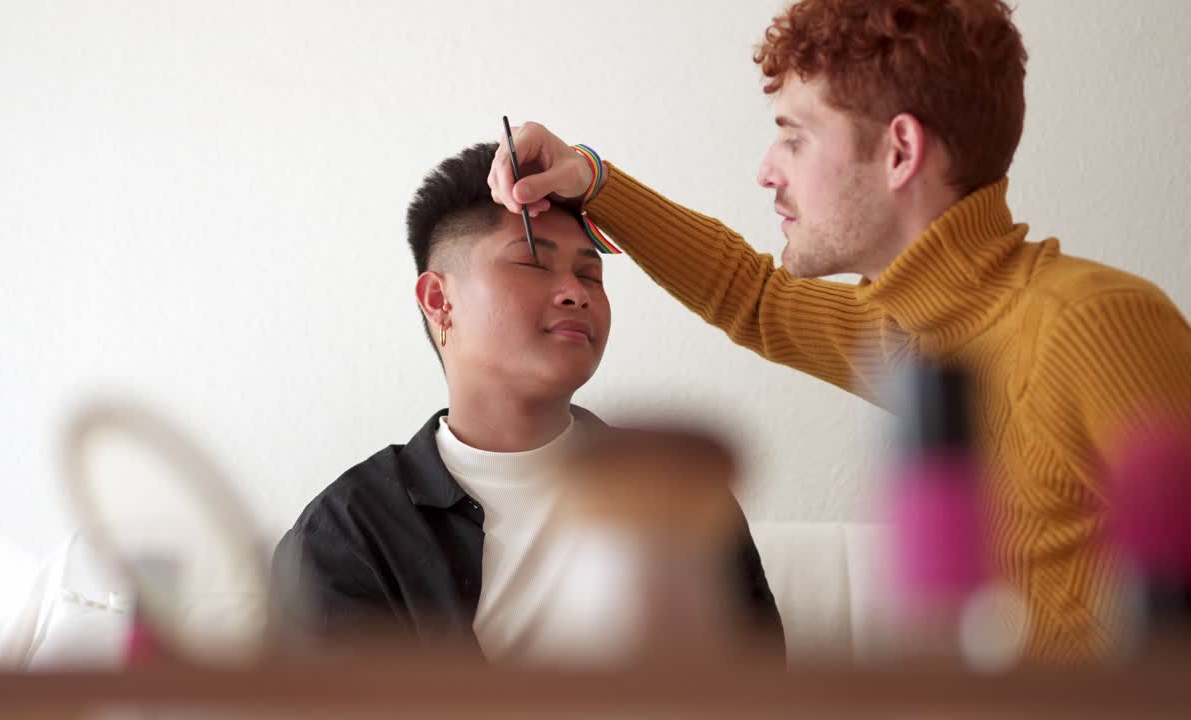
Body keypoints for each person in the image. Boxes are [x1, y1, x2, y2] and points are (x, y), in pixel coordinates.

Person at [488, 0, 1191, 663]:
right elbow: (752, 298)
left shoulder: (1094, 325)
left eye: (794, 136)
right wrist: (591, 178)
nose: (767, 170)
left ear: (900, 151)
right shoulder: (910, 334)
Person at [272, 142, 784, 661]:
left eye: (589, 274)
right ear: (439, 301)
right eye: (534, 264)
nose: (575, 293)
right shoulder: (349, 532)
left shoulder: (674, 493)